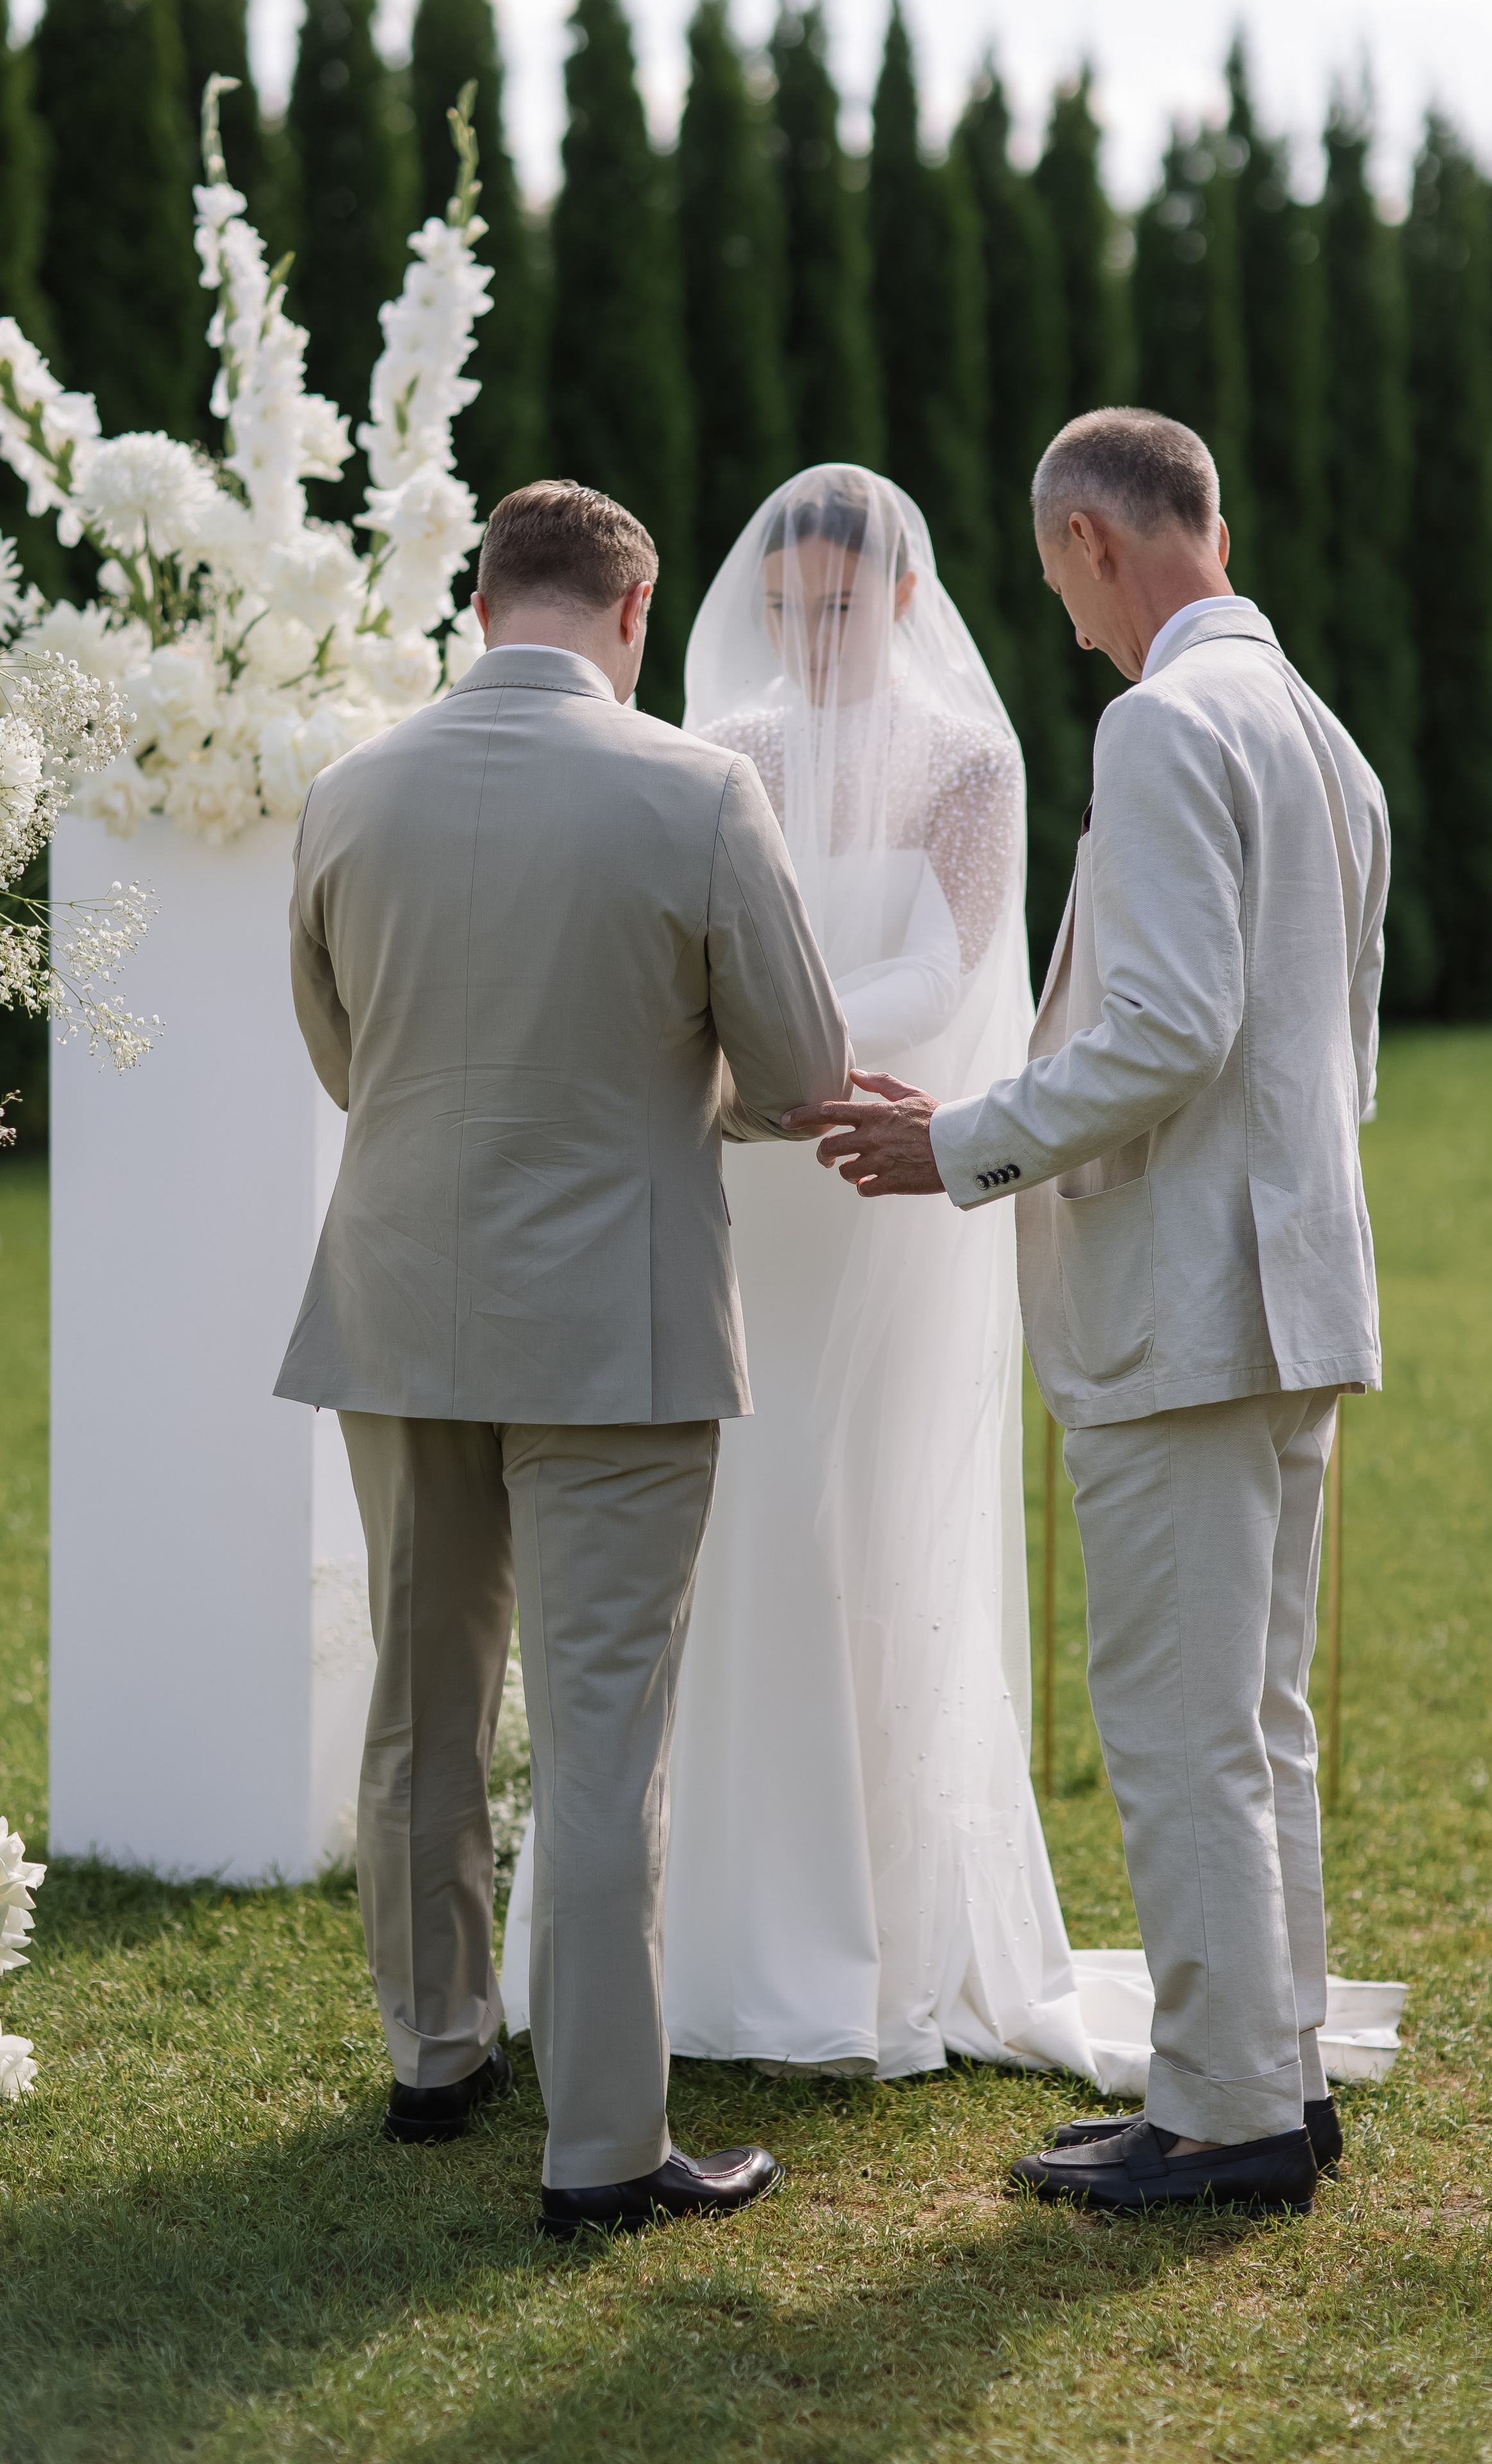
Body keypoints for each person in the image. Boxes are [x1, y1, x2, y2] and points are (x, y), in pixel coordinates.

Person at [789, 410, 1388, 2217]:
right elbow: (1333, 1044)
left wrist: (958, 1142)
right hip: (1295, 1290)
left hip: (1184, 1300)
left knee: (1184, 1727)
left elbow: (1172, 1026)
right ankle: (1269, 2074)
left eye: (1055, 579)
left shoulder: (1164, 720)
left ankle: (1222, 2115)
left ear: (1089, 542)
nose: (1059, 618)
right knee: (1255, 1720)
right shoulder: (1320, 729)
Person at [275, 481, 851, 2237]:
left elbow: (345, 1058)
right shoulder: (697, 790)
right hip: (619, 1321)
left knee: (420, 1699)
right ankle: (603, 2147)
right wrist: (674, 1088)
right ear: (633, 611)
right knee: (602, 1736)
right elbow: (803, 1070)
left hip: (399, 1304)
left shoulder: (347, 791)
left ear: (478, 605)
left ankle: (436, 2054)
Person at [503, 465, 1099, 2082]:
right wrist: (747, 1065)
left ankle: (863, 1935)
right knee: (729, 1516)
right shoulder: (732, 752)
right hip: (744, 1190)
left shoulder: (968, 759)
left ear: (897, 597)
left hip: (865, 1174)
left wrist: (790, 1059)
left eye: (833, 608)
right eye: (783, 610)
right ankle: (684, 1933)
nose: (807, 636)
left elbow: (947, 964)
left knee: (859, 1519)